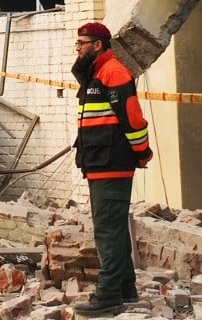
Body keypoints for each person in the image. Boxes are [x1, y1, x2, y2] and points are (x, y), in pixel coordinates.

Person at [70, 22, 153, 315]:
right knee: (112, 229)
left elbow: (133, 120)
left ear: (98, 45)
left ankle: (107, 296)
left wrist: (142, 154)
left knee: (107, 232)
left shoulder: (114, 73)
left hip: (111, 164)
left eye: (82, 43)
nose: (78, 48)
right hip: (98, 163)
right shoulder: (94, 74)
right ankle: (126, 290)